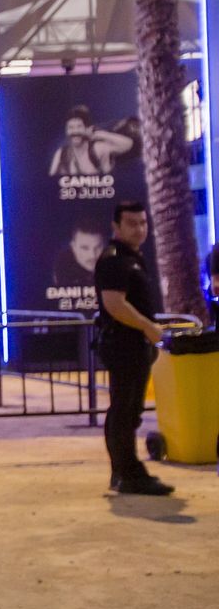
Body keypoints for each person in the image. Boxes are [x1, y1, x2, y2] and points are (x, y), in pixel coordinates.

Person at [93, 202, 173, 497]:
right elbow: (115, 304)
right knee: (125, 411)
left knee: (128, 410)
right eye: (132, 223)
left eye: (143, 223)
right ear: (116, 226)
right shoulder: (115, 259)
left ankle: (122, 471)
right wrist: (147, 327)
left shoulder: (133, 257)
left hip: (133, 345)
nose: (139, 229)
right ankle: (129, 473)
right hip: (123, 344)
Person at [48, 105, 133, 176]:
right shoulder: (61, 153)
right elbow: (50, 181)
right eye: (70, 128)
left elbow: (128, 144)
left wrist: (99, 134)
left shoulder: (97, 148)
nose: (75, 131)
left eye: (79, 127)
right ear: (66, 131)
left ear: (86, 128)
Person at [52, 223, 107, 289]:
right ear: (73, 247)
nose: (92, 255)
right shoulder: (62, 272)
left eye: (98, 247)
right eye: (85, 248)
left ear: (105, 245)